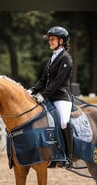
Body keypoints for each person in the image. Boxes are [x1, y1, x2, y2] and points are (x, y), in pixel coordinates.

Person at [27, 26, 73, 168]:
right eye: (49, 39)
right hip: (49, 97)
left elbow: (57, 82)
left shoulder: (66, 58)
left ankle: (68, 156)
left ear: (61, 40)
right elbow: (43, 80)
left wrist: (43, 95)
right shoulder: (52, 58)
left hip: (61, 98)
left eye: (52, 39)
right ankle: (50, 155)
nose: (50, 42)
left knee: (64, 122)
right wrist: (32, 90)